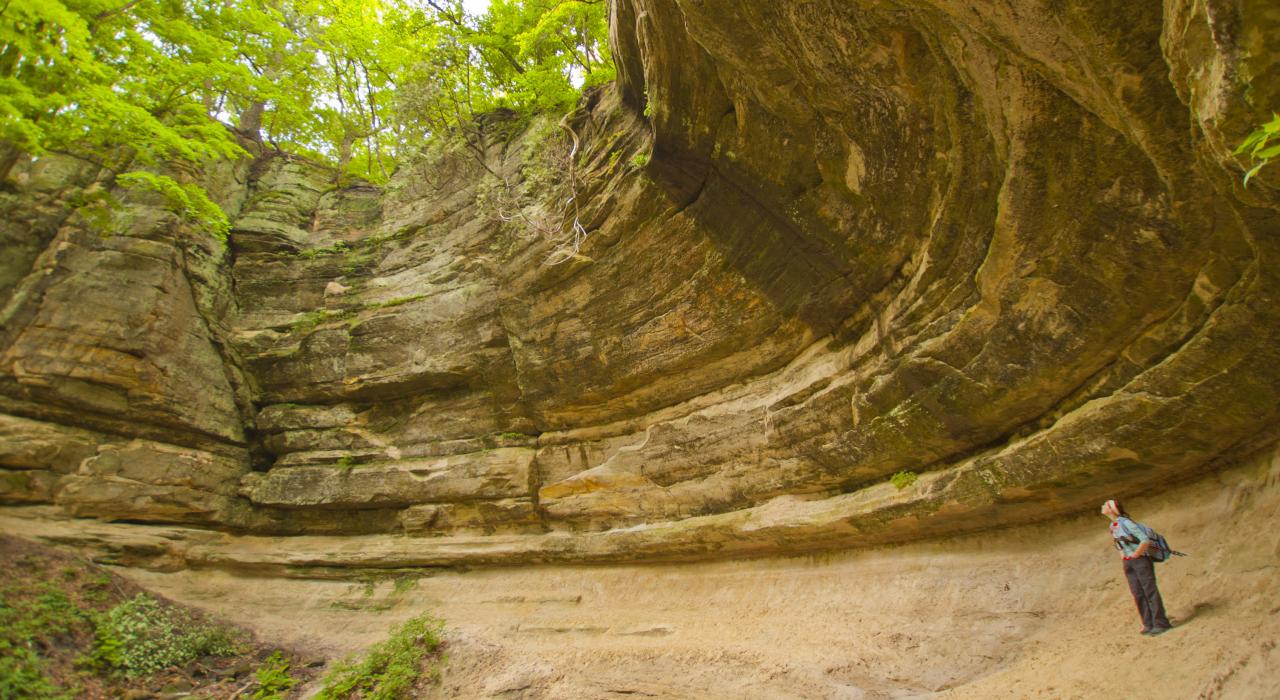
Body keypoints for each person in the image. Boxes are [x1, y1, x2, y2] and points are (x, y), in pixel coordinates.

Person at [1101, 499, 1172, 636]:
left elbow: (1144, 539)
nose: (1103, 506)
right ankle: (1148, 623)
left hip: (1140, 560)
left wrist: (1135, 555)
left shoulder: (1126, 523)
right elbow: (1119, 543)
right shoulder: (1113, 525)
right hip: (1129, 562)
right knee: (1138, 593)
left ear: (1112, 509)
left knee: (1149, 590)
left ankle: (1161, 623)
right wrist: (1124, 557)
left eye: (1106, 505)